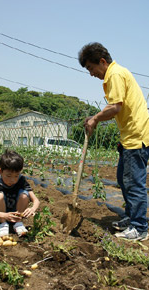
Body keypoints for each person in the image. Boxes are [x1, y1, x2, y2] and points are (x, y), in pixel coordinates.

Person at [79, 42, 149, 241]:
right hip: (129, 137)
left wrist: (95, 118)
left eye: (91, 68)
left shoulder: (115, 74)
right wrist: (95, 117)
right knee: (123, 179)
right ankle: (131, 217)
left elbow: (115, 107)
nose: (91, 73)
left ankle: (140, 227)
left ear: (102, 61)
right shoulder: (115, 74)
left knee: (134, 183)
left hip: (136, 137)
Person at [0, 150, 40, 237]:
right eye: (8, 176)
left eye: (16, 176)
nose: (13, 180)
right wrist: (4, 215)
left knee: (24, 194)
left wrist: (32, 209)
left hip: (17, 215)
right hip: (0, 216)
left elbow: (36, 200)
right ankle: (3, 225)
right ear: (0, 171)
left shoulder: (21, 180)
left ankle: (18, 223)